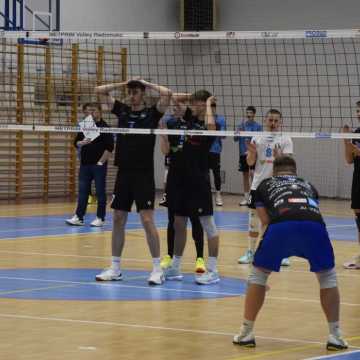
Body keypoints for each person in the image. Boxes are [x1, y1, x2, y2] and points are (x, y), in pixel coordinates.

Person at [233, 155, 348, 351]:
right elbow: (312, 209)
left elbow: (265, 221)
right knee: (327, 277)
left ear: (274, 171)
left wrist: (270, 252)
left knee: (258, 275)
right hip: (314, 226)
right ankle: (335, 335)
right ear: (295, 171)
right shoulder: (307, 184)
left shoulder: (265, 184)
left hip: (281, 226)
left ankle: (246, 333)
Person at [94, 79, 172, 285]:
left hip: (144, 174)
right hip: (124, 173)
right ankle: (115, 267)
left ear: (143, 93)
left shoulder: (152, 113)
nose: (132, 95)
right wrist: (123, 84)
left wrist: (146, 82)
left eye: (135, 91)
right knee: (118, 218)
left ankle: (157, 269)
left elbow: (168, 94)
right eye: (130, 91)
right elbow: (99, 91)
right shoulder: (122, 110)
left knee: (147, 220)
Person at [162, 90, 221, 285]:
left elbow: (212, 130)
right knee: (179, 223)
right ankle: (175, 267)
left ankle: (213, 270)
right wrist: (192, 97)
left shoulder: (211, 123)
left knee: (208, 224)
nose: (193, 106)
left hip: (199, 181)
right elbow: (174, 98)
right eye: (194, 103)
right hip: (179, 180)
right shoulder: (188, 118)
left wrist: (208, 104)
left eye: (198, 103)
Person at [238, 109, 293, 266]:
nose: (273, 123)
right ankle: (250, 252)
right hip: (258, 186)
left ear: (280, 122)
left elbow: (288, 166)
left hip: (277, 186)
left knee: (278, 221)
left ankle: (280, 253)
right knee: (253, 221)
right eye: (270, 120)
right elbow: (250, 163)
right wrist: (252, 153)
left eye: (276, 121)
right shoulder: (257, 138)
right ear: (265, 121)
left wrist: (279, 157)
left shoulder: (286, 139)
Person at [159, 103, 206, 273]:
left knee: (195, 219)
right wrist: (163, 137)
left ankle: (200, 258)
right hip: (174, 177)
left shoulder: (196, 124)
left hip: (193, 178)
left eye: (179, 106)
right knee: (173, 220)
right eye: (173, 106)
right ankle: (170, 256)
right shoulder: (170, 124)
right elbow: (165, 151)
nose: (174, 108)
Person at [66, 102, 114, 227]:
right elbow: (76, 142)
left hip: (98, 166)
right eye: (88, 111)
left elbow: (110, 148)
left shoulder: (105, 127)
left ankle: (100, 218)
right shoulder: (86, 125)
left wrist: (100, 162)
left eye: (93, 110)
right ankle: (79, 217)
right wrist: (80, 143)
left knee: (100, 192)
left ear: (99, 111)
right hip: (85, 165)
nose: (90, 113)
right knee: (82, 192)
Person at [342, 100, 360, 269]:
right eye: (358, 110)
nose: (359, 113)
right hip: (358, 177)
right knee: (358, 213)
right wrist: (346, 139)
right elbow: (349, 159)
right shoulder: (357, 133)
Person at [234, 106, 262, 206]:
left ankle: (254, 197)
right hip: (242, 154)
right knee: (245, 176)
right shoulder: (241, 125)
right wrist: (238, 132)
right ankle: (246, 198)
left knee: (253, 175)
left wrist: (251, 151)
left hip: (253, 154)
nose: (248, 114)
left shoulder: (258, 127)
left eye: (250, 113)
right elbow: (235, 139)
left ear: (254, 114)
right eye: (247, 113)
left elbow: (259, 141)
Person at [209, 103, 226, 206]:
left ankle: (218, 195)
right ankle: (205, 195)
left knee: (216, 173)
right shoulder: (204, 118)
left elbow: (224, 136)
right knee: (203, 174)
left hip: (215, 150)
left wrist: (218, 130)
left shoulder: (221, 119)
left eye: (213, 108)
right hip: (204, 150)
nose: (211, 109)